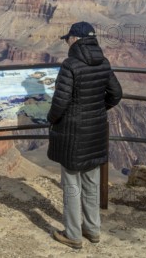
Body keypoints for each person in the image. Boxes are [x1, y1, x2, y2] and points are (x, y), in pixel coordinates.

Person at [47, 21, 122, 249]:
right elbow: (116, 94)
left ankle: (73, 234)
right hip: (95, 132)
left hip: (73, 134)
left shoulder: (70, 65)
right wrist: (97, 111)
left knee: (71, 184)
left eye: (68, 38)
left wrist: (51, 119)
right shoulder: (104, 62)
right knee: (91, 183)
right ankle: (93, 229)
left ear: (76, 39)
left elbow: (60, 102)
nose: (67, 41)